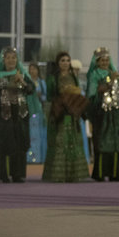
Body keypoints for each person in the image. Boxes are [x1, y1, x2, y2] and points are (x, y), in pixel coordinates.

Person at [86, 47, 119, 182]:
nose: (105, 62)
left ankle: (115, 173)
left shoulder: (113, 74)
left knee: (116, 143)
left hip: (115, 114)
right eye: (102, 60)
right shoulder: (95, 75)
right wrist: (110, 80)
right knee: (102, 143)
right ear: (98, 62)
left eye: (107, 60)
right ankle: (99, 173)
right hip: (102, 114)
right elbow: (95, 91)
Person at [0, 47, 34, 183]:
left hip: (21, 114)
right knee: (5, 143)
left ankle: (18, 174)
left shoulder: (22, 74)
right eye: (8, 58)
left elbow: (31, 90)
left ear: (17, 60)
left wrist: (22, 81)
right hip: (3, 116)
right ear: (3, 60)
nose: (11, 60)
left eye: (14, 57)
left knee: (20, 142)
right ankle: (5, 174)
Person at [42, 52, 90, 182]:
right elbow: (49, 96)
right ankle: (58, 175)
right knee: (60, 141)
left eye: (68, 60)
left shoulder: (73, 76)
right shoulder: (53, 78)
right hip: (59, 113)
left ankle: (73, 175)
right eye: (62, 60)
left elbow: (77, 90)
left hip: (71, 113)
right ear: (58, 63)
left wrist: (73, 94)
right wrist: (62, 94)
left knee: (71, 141)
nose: (65, 63)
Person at [71, 58, 92, 163]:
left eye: (77, 69)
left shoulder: (82, 83)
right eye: (73, 69)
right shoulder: (67, 82)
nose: (75, 72)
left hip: (80, 115)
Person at [28, 62, 47, 163]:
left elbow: (46, 96)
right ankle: (30, 157)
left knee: (39, 133)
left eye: (34, 69)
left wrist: (40, 96)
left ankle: (39, 157)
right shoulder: (26, 81)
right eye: (31, 69)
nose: (32, 71)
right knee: (30, 134)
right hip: (29, 110)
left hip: (39, 110)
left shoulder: (41, 83)